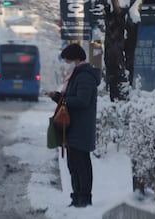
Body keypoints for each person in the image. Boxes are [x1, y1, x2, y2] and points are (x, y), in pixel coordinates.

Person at [48, 43, 101, 208]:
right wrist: (58, 97)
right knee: (74, 164)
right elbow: (72, 97)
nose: (66, 62)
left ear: (75, 57)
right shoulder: (77, 74)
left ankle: (84, 198)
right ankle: (77, 196)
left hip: (81, 127)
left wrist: (61, 99)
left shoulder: (84, 76)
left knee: (81, 164)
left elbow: (82, 101)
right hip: (74, 127)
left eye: (67, 59)